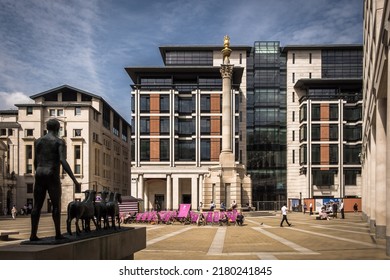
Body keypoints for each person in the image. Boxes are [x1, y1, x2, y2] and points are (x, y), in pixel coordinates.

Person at [30, 119, 80, 241]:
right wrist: (74, 179)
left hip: (40, 173)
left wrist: (38, 172)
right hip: (52, 173)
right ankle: (58, 233)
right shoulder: (59, 141)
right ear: (58, 129)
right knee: (56, 205)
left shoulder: (38, 141)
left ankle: (33, 234)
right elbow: (63, 160)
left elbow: (35, 161)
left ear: (47, 128)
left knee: (36, 206)